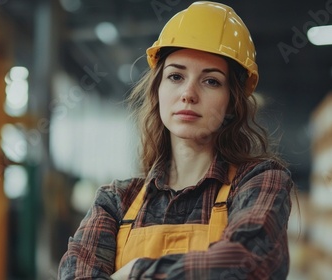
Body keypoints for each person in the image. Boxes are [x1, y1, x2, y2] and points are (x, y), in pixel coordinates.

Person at [58, 1, 293, 279]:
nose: (188, 93)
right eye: (176, 76)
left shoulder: (260, 181)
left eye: (211, 81)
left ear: (232, 102)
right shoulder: (117, 202)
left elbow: (248, 262)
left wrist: (135, 272)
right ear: (158, 91)